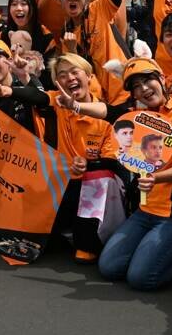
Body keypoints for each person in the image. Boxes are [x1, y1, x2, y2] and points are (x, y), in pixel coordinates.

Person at [55, 57, 172, 290]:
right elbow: (109, 112)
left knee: (141, 278)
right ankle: (158, 250)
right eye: (136, 86)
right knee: (109, 267)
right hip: (146, 211)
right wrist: (75, 105)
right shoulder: (139, 117)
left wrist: (157, 178)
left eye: (148, 80)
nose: (143, 89)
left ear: (161, 78)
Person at [50, 53, 124, 263]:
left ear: (90, 77)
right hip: (59, 186)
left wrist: (88, 164)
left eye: (75, 72)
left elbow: (112, 162)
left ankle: (86, 243)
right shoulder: (55, 103)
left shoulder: (107, 116)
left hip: (92, 188)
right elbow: (32, 95)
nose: (70, 78)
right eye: (62, 75)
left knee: (101, 176)